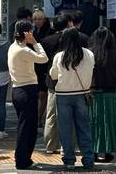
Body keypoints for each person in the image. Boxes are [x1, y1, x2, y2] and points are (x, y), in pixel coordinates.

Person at [50, 27, 95, 170]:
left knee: (65, 129)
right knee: (84, 128)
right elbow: (91, 70)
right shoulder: (89, 54)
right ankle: (88, 159)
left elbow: (53, 76)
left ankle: (69, 160)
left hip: (63, 95)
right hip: (82, 94)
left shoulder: (60, 56)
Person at [8, 20, 48, 170]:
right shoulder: (24, 50)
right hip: (27, 90)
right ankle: (22, 160)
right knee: (26, 128)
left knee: (26, 126)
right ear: (26, 33)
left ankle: (24, 158)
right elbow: (43, 58)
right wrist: (35, 42)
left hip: (18, 89)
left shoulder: (13, 47)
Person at [41, 13, 73, 153]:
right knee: (69, 116)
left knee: (51, 115)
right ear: (68, 24)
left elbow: (41, 63)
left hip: (53, 82)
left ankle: (50, 145)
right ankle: (66, 146)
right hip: (72, 83)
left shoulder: (47, 41)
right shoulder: (78, 39)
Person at [90, 27, 116, 163]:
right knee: (109, 122)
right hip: (109, 92)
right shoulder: (113, 54)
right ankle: (108, 151)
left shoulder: (91, 53)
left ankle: (94, 151)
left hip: (94, 92)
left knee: (94, 122)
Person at [32, 9, 54, 125]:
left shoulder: (50, 32)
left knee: (43, 93)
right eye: (35, 19)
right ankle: (38, 117)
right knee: (38, 94)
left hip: (46, 66)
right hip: (36, 66)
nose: (37, 21)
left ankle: (39, 118)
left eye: (39, 19)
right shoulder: (33, 32)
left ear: (44, 19)